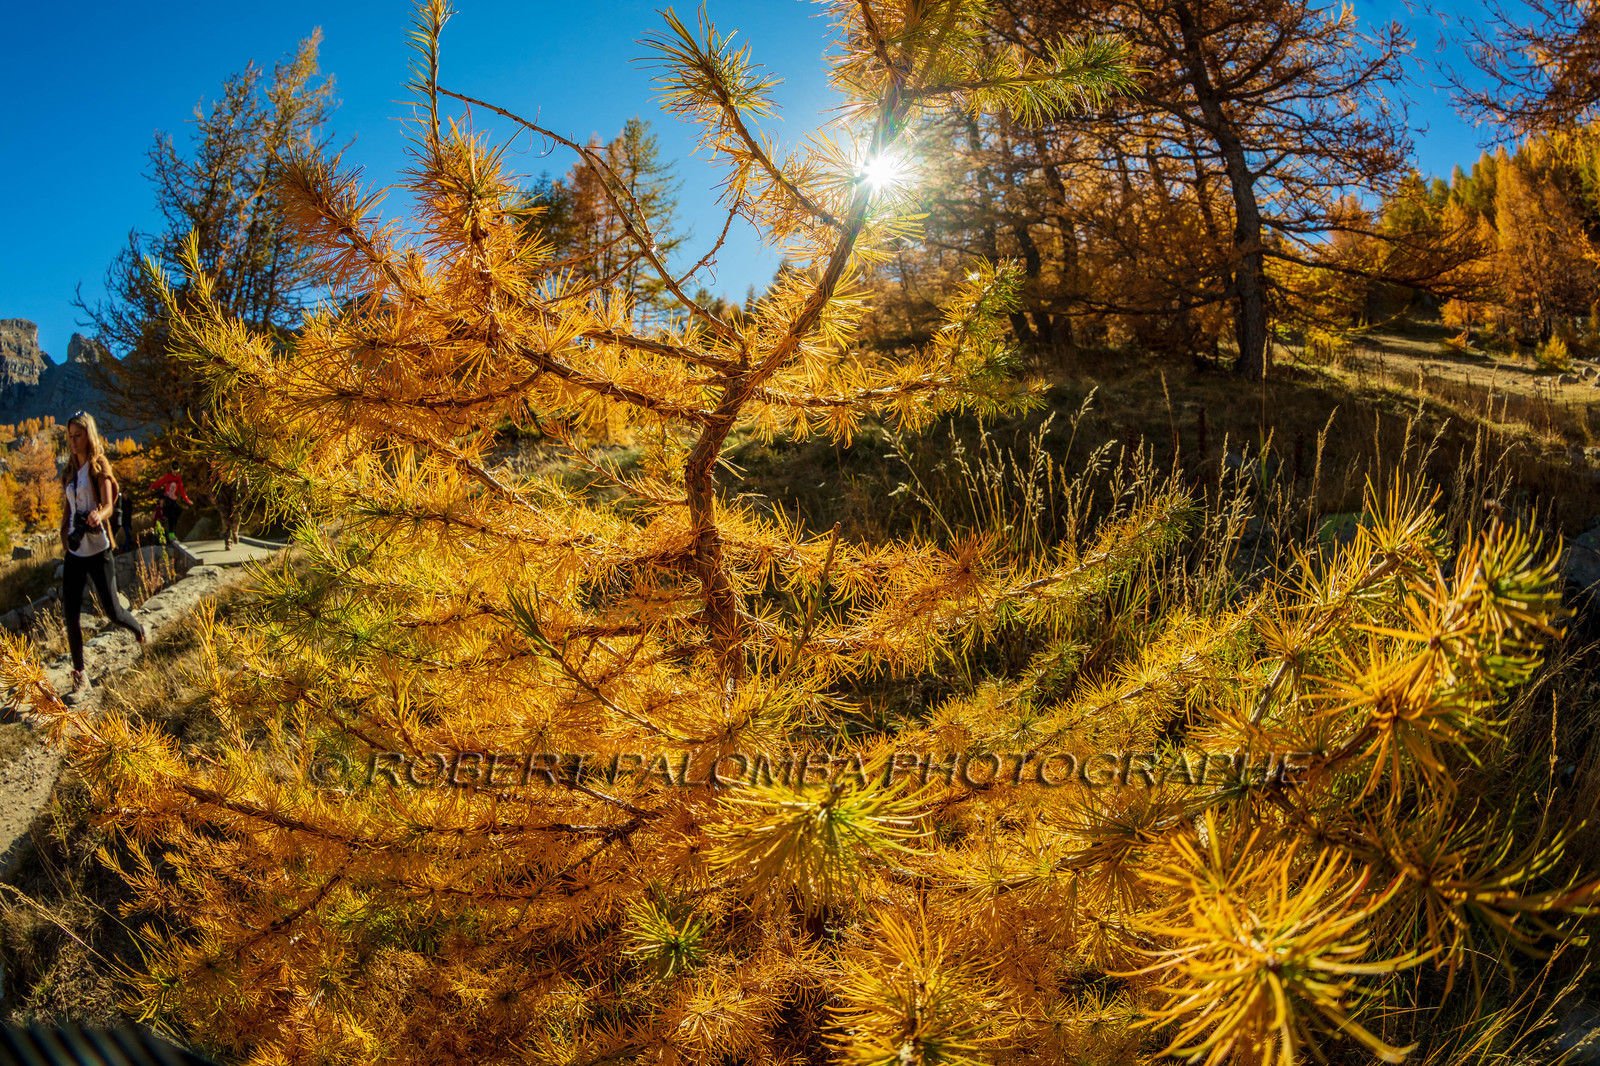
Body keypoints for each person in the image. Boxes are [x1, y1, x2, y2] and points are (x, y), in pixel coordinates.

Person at [59, 412, 146, 693]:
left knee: (113, 611)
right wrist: (66, 533)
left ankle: (139, 630)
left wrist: (99, 514)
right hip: (75, 552)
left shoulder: (99, 466)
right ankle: (80, 675)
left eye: (78, 436)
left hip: (98, 550)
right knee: (70, 615)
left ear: (89, 436)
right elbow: (70, 508)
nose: (73, 441)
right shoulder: (69, 471)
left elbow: (109, 505)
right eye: (70, 436)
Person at [149, 462, 192, 541]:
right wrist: (152, 486)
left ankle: (172, 532)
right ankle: (171, 533)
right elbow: (160, 482)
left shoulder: (178, 478)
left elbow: (182, 490)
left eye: (176, 471)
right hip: (168, 499)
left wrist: (187, 500)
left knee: (177, 512)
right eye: (173, 470)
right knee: (172, 515)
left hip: (174, 500)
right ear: (171, 470)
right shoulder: (168, 476)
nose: (175, 472)